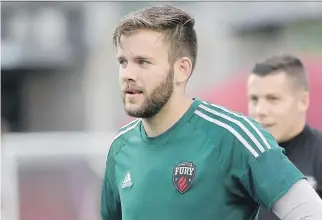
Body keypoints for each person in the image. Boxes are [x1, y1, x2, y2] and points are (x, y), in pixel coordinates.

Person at [100, 5, 322, 220]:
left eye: (143, 62)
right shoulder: (120, 148)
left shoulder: (233, 136)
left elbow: (310, 213)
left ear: (182, 70)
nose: (128, 74)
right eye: (123, 62)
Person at [247, 55, 322, 220]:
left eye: (272, 99)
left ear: (303, 101)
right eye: (254, 99)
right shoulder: (238, 158)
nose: (260, 110)